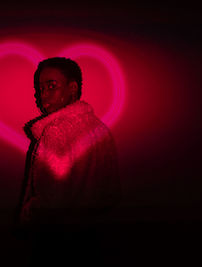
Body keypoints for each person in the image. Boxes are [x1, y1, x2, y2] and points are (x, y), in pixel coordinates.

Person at [13, 57, 122, 265]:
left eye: (51, 86)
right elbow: (112, 190)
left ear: (73, 88)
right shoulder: (99, 128)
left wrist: (29, 220)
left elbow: (50, 200)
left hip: (57, 240)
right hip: (92, 236)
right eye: (39, 88)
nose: (42, 95)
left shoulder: (55, 132)